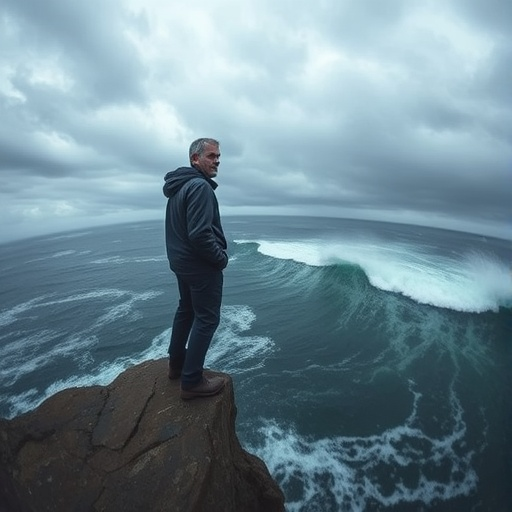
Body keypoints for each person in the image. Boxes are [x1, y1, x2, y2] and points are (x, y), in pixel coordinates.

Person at [163, 138, 228, 400]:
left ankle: (176, 365)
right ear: (195, 159)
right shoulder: (200, 187)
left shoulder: (179, 187)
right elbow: (200, 234)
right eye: (211, 156)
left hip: (181, 263)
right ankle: (191, 380)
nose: (217, 161)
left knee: (186, 310)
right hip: (200, 267)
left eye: (218, 156)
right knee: (207, 318)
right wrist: (220, 259)